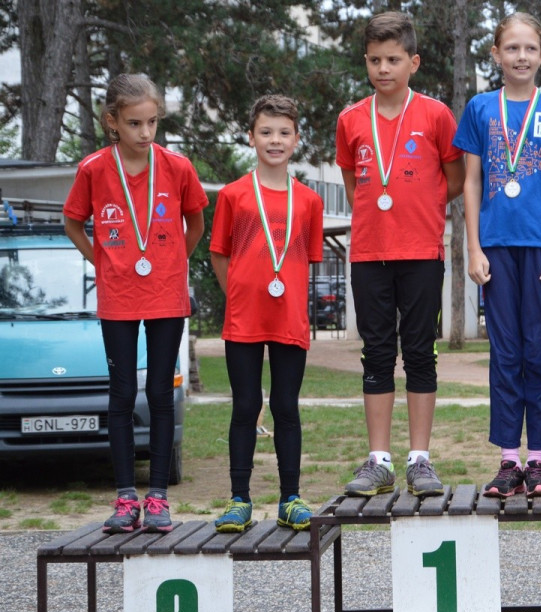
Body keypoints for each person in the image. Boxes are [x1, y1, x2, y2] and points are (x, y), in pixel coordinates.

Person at [454, 12, 541, 498]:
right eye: (511, 49)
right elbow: (470, 182)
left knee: (540, 352)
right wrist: (473, 246)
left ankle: (539, 460)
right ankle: (509, 459)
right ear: (495, 55)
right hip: (495, 245)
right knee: (505, 353)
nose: (520, 57)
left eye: (529, 49)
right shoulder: (480, 109)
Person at [63, 74, 208, 533]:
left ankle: (159, 497)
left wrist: (169, 264)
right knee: (123, 394)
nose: (146, 133)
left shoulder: (177, 167)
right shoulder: (92, 169)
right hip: (119, 297)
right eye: (135, 124)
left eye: (152, 123)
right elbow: (73, 224)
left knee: (161, 393)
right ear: (113, 123)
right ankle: (127, 498)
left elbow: (196, 224)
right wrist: (103, 262)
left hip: (165, 295)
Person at [335, 11, 465, 498]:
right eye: (374, 60)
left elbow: (453, 180)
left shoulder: (434, 114)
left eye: (392, 59)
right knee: (376, 355)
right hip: (369, 253)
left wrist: (421, 207)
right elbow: (354, 183)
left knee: (420, 355)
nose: (382, 68)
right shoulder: (351, 120)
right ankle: (378, 460)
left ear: (413, 62)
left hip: (421, 252)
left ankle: (420, 460)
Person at [209, 95, 324, 532]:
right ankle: (239, 498)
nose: (274, 140)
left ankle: (290, 497)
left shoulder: (308, 201)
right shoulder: (235, 196)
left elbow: (305, 261)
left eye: (283, 132)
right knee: (246, 405)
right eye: (266, 132)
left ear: (296, 139)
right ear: (251, 136)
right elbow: (220, 255)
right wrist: (238, 294)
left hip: (289, 319)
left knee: (286, 406)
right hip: (244, 320)